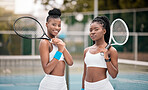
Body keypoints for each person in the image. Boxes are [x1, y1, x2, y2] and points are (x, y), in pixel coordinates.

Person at [38, 8, 73, 90]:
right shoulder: (44, 43)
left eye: (59, 25)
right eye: (53, 24)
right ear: (47, 25)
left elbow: (70, 62)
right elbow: (47, 69)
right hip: (50, 85)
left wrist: (62, 47)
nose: (57, 28)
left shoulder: (59, 42)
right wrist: (60, 51)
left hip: (62, 85)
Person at [81, 16, 118, 90]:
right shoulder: (86, 51)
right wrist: (82, 88)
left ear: (104, 31)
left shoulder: (111, 51)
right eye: (91, 30)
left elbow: (114, 75)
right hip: (88, 87)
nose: (93, 32)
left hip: (103, 87)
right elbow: (85, 73)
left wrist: (107, 58)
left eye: (96, 29)